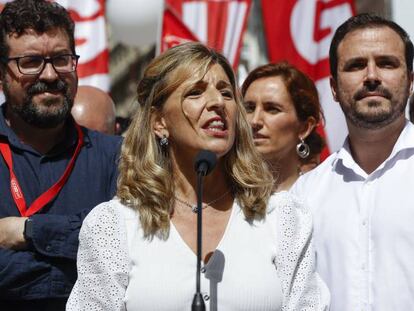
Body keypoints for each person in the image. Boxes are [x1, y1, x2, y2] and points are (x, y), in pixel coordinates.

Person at [67, 42, 329, 310]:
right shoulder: (114, 225)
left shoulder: (282, 216)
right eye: (195, 92)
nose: (218, 103)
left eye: (226, 93)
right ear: (159, 122)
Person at [0, 1, 121, 310]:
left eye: (61, 59)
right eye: (31, 62)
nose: (51, 75)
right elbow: (99, 265)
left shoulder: (118, 158)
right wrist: (80, 265)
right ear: (2, 74)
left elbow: (124, 251)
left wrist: (27, 231)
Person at [291, 13, 414, 311]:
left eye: (386, 63)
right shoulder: (305, 194)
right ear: (333, 88)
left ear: (411, 82)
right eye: (356, 65)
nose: (371, 76)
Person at [242, 62, 324, 191]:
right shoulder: (220, 197)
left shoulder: (322, 196)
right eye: (249, 108)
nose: (255, 121)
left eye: (272, 109)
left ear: (304, 128)